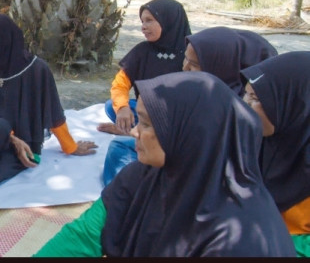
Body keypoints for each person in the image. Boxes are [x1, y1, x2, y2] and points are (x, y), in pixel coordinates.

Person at [34, 71, 295, 257]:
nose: (134, 131)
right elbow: (83, 235)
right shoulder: (142, 176)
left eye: (146, 123)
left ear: (189, 135)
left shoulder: (240, 236)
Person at [0, 13, 97, 195]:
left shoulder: (38, 69)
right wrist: (10, 138)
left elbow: (54, 113)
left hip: (25, 147)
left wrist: (70, 146)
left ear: (2, 40)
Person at [96, 0, 190, 185]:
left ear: (168, 21)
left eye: (149, 21)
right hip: (149, 113)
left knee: (119, 147)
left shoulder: (190, 54)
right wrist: (122, 107)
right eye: (142, 22)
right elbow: (120, 84)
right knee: (111, 106)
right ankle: (137, 128)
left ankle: (136, 132)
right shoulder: (142, 51)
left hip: (177, 120)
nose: (143, 27)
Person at [240, 51, 310, 257]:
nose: (245, 105)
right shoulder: (253, 143)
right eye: (246, 94)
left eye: (255, 98)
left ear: (293, 104)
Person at [183, 26, 277, 95]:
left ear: (223, 68)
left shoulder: (245, 112)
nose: (185, 68)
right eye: (185, 58)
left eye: (194, 64)